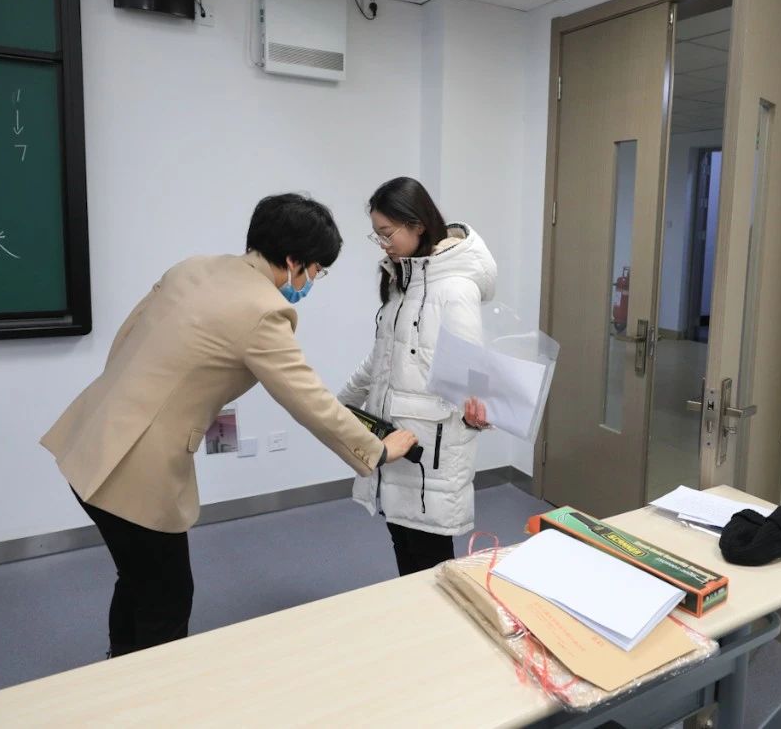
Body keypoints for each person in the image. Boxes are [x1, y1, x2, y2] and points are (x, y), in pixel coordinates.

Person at [41, 193, 418, 657]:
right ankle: (149, 688)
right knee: (166, 595)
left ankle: (118, 667)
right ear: (293, 261)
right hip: (132, 469)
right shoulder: (264, 310)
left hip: (92, 434)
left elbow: (129, 338)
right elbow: (311, 402)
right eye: (317, 270)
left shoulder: (194, 268)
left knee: (137, 576)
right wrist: (377, 449)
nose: (312, 282)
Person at [338, 177, 497, 576]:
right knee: (404, 545)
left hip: (430, 453)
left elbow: (473, 374)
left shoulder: (454, 288)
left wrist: (480, 411)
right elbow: (381, 359)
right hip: (395, 441)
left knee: (431, 562)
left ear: (418, 225)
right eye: (377, 235)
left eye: (387, 233)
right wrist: (342, 401)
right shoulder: (404, 282)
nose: (383, 244)